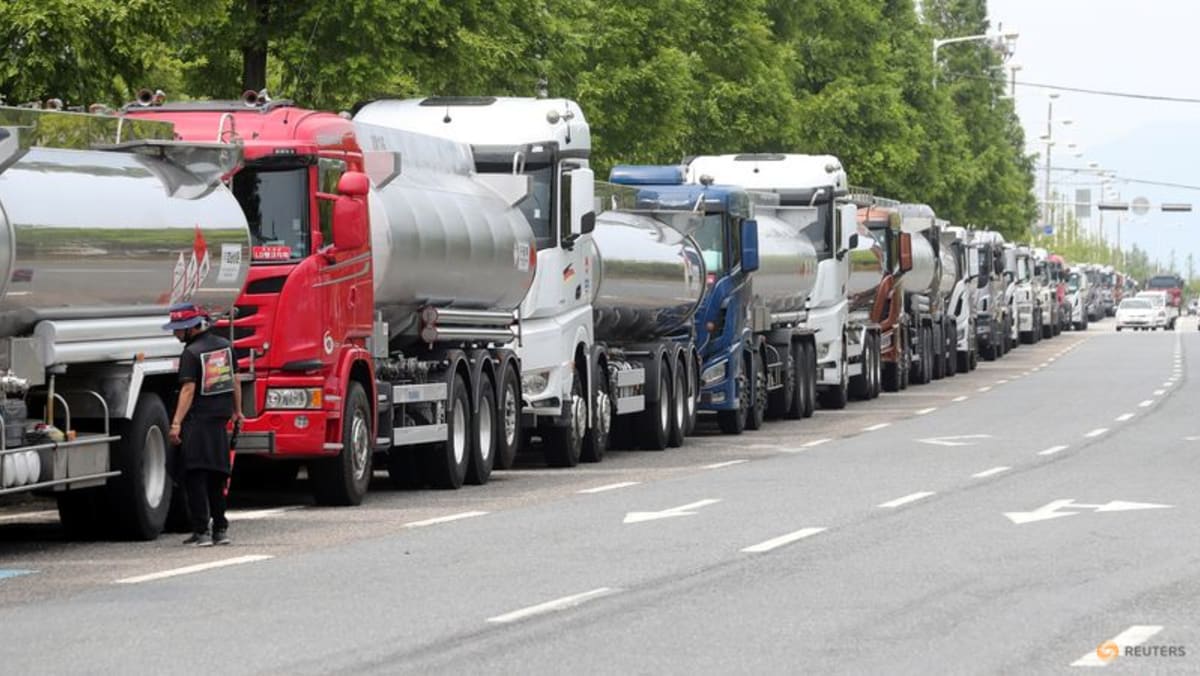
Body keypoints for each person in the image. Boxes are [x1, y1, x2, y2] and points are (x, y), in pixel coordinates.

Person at [163, 303, 242, 546]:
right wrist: (238, 411)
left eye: (179, 328)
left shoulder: (191, 353)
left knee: (194, 476)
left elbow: (188, 389)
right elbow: (236, 380)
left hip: (196, 423)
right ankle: (220, 529)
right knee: (217, 477)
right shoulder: (225, 347)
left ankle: (201, 531)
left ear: (191, 328)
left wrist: (176, 423)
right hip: (219, 422)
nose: (176, 333)